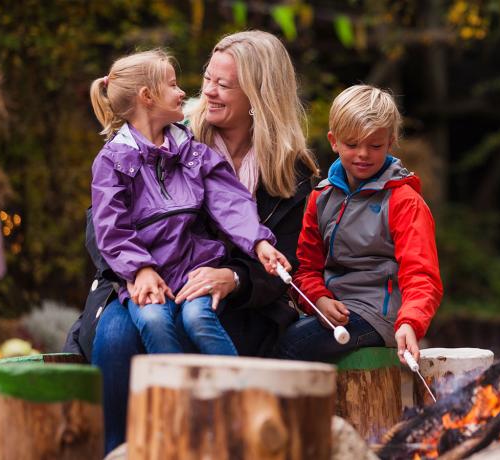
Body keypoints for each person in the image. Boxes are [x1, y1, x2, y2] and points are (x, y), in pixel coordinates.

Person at [63, 31, 318, 453]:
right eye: (207, 78)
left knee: (190, 325)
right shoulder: (170, 132)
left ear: (257, 94)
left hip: (232, 303)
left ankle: (210, 433)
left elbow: (284, 266)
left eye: (223, 84)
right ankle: (117, 449)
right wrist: (137, 270)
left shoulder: (291, 173)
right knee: (116, 337)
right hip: (142, 278)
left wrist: (233, 277)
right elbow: (102, 224)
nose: (206, 91)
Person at [88, 48, 291, 357]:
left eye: (222, 84)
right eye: (172, 85)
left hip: (193, 270)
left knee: (198, 318)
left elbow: (230, 202)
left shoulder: (191, 151)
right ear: (147, 96)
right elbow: (109, 226)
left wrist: (259, 242)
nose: (185, 91)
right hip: (148, 274)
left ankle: (239, 387)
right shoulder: (114, 161)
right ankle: (173, 393)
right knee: (151, 321)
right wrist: (138, 269)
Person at [274, 85, 443, 365]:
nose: (363, 154)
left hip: (379, 315)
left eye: (374, 146)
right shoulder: (322, 196)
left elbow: (421, 274)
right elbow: (305, 266)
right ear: (333, 141)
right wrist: (319, 299)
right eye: (352, 145)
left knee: (292, 346)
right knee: (270, 332)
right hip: (332, 309)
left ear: (390, 142)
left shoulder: (403, 201)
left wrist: (410, 322)